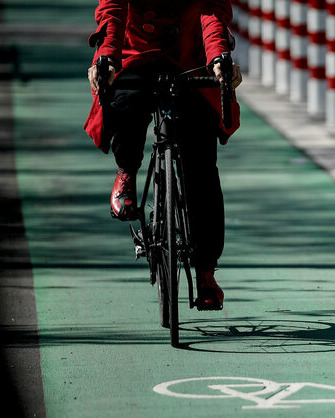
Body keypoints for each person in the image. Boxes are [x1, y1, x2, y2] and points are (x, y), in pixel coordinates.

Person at [84, 0, 242, 311]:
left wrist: (218, 57)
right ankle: (126, 172)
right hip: (133, 55)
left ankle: (206, 272)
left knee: (202, 168)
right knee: (123, 105)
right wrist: (106, 58)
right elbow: (113, 11)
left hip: (191, 59)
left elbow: (211, 10)